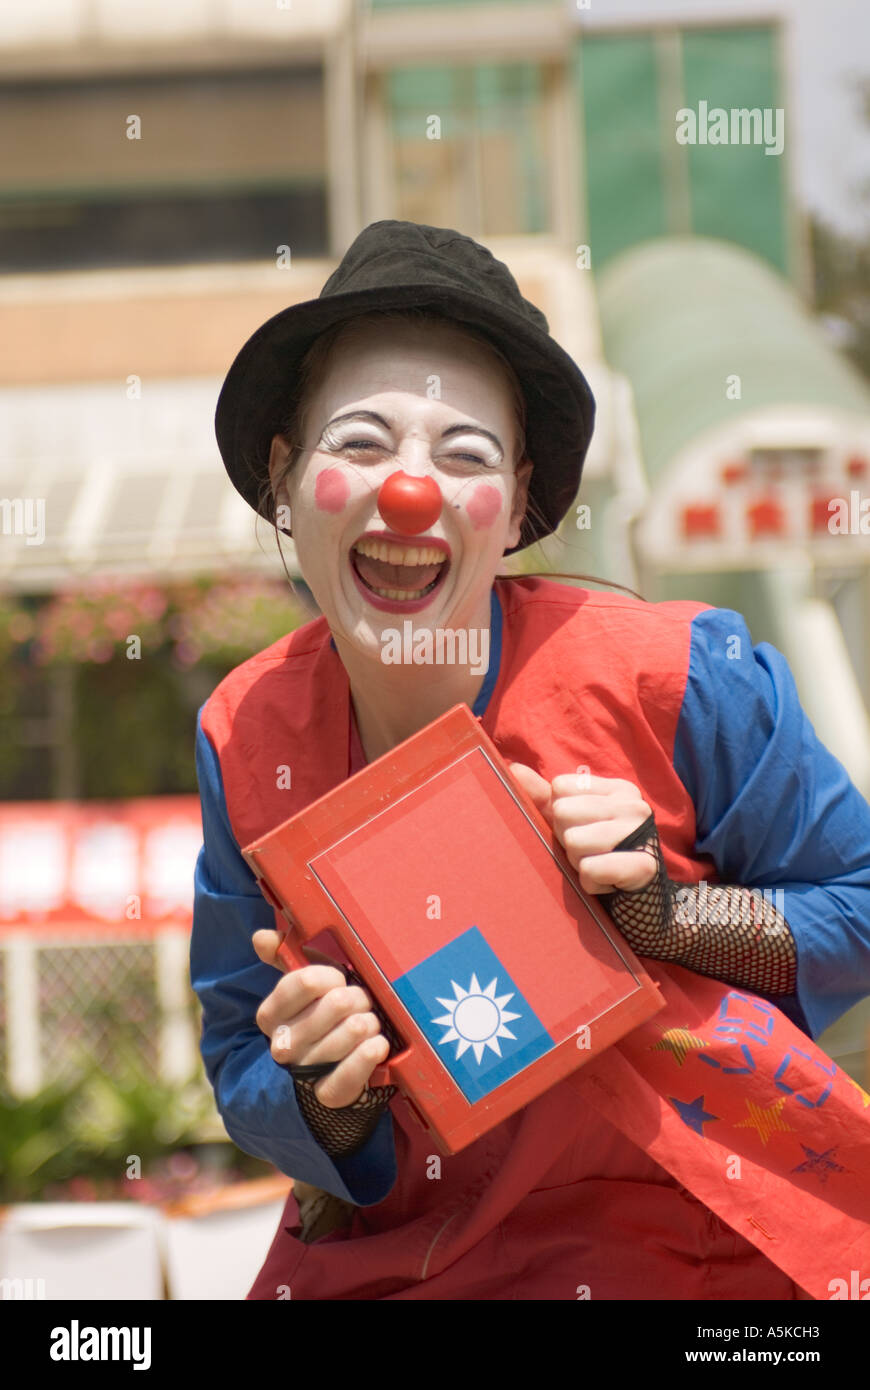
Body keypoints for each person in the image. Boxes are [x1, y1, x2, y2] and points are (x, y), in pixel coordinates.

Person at [191, 220, 870, 1301]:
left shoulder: (677, 676)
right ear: (285, 475)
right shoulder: (248, 732)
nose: (407, 491)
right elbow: (237, 1045)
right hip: (409, 1259)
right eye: (361, 443)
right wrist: (327, 1094)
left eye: (462, 457)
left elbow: (861, 901)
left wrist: (675, 920)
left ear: (514, 504)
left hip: (694, 1247)